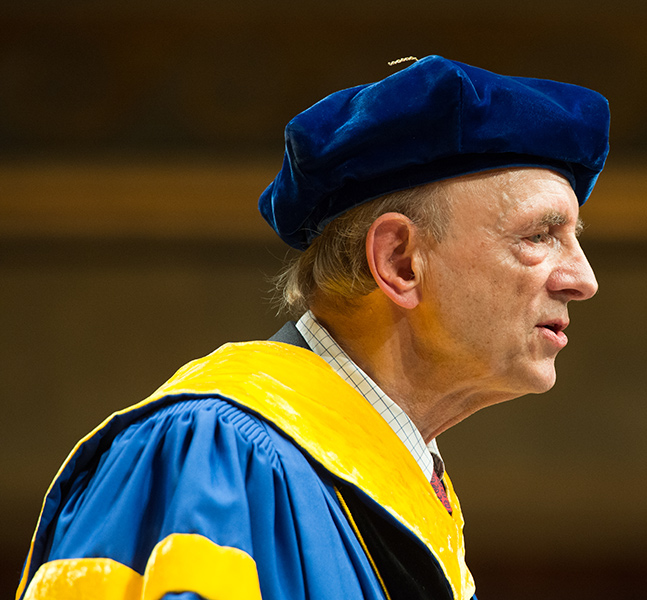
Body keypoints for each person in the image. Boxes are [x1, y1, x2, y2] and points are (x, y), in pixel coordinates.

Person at [16, 55, 610, 600]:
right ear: (401, 261)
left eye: (573, 240)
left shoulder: (412, 505)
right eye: (539, 236)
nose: (583, 279)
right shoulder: (218, 460)